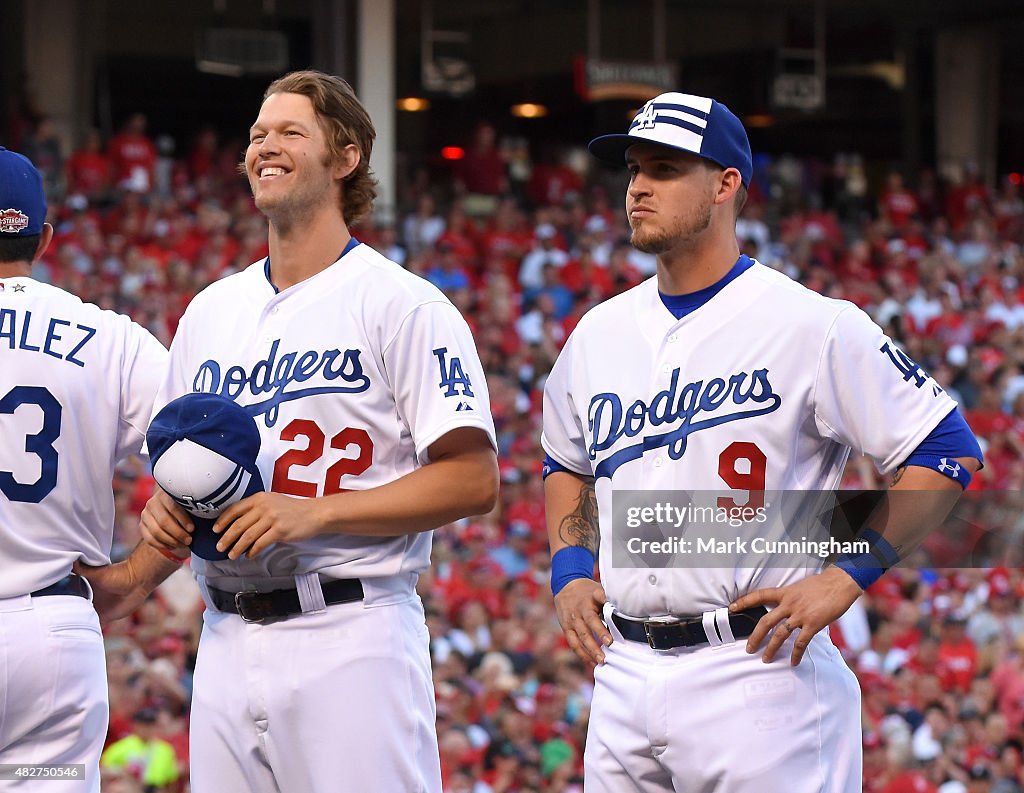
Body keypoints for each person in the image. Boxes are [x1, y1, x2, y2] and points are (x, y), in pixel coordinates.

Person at [540, 92, 983, 792]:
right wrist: (568, 569)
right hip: (623, 671)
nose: (638, 187)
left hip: (755, 668)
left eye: (664, 168)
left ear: (726, 185)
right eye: (632, 168)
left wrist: (845, 576)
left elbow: (947, 451)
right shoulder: (597, 332)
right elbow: (564, 461)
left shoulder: (812, 324)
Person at [110, 70, 498, 793]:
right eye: (258, 134)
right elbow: (180, 479)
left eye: (291, 132)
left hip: (351, 631)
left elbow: (474, 479)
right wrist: (159, 522)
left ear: (345, 158)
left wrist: (316, 509)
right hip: (225, 638)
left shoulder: (403, 304)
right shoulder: (210, 312)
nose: (266, 145)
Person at [0, 147, 169, 791]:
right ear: (43, 238)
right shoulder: (110, 338)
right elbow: (213, 455)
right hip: (52, 643)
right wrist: (139, 572)